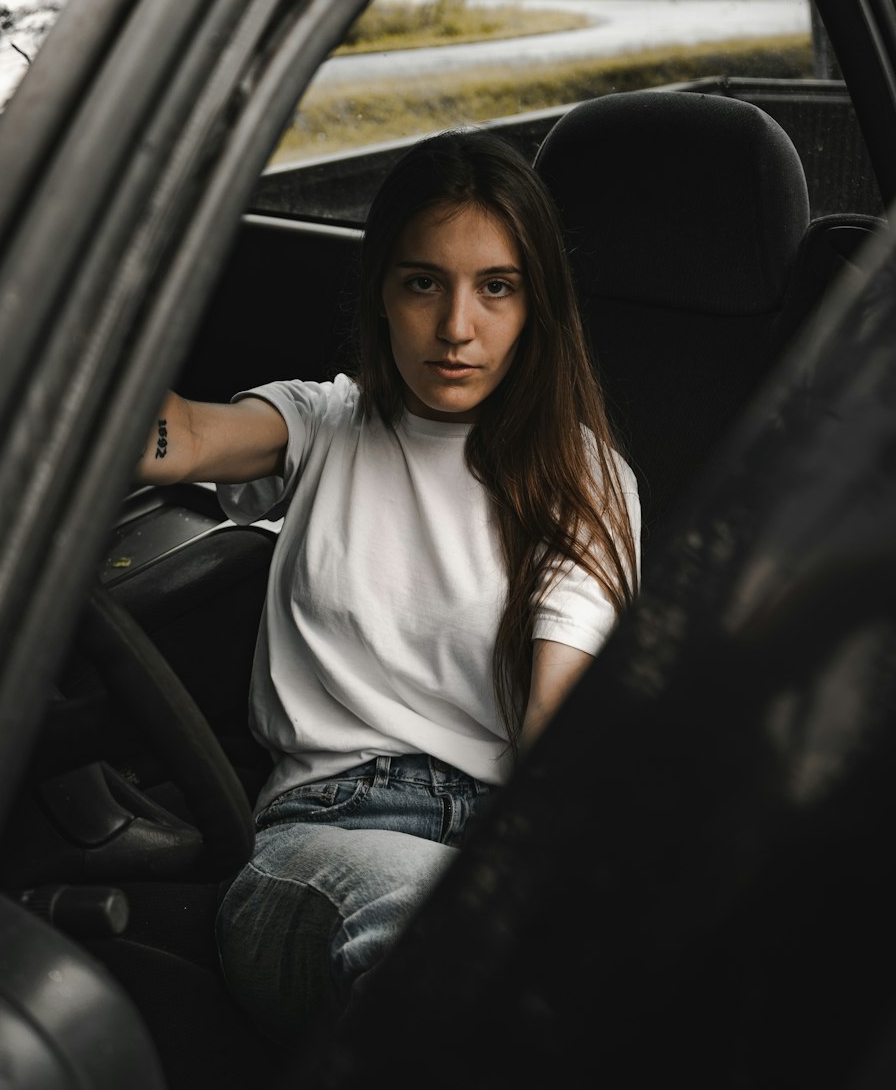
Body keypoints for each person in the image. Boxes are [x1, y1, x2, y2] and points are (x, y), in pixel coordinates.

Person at [137, 128, 640, 1039]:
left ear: (536, 305)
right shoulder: (325, 422)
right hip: (322, 836)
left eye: (497, 287)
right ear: (381, 294)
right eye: (423, 283)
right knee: (432, 942)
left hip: (499, 837)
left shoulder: (584, 478)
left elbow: (557, 728)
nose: (457, 328)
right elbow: (176, 437)